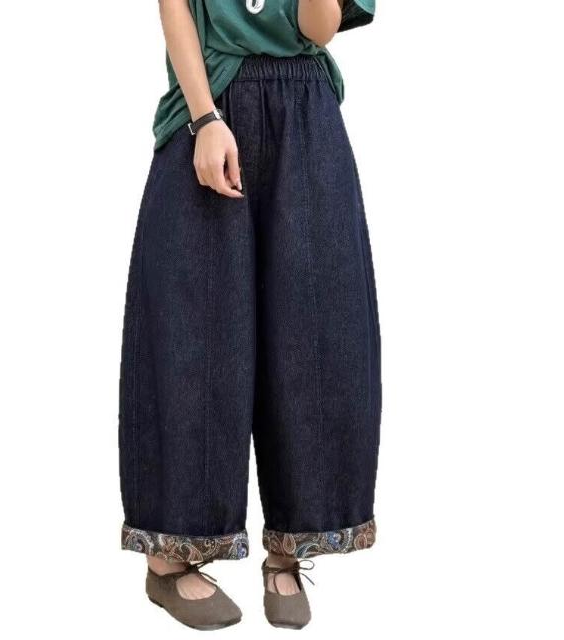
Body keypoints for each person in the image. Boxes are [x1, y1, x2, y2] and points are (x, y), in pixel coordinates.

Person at [118, 0, 381, 630]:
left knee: (313, 326)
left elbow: (319, 30)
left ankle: (289, 547)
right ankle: (170, 557)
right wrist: (206, 117)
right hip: (208, 99)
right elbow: (175, 7)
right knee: (194, 333)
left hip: (306, 111)